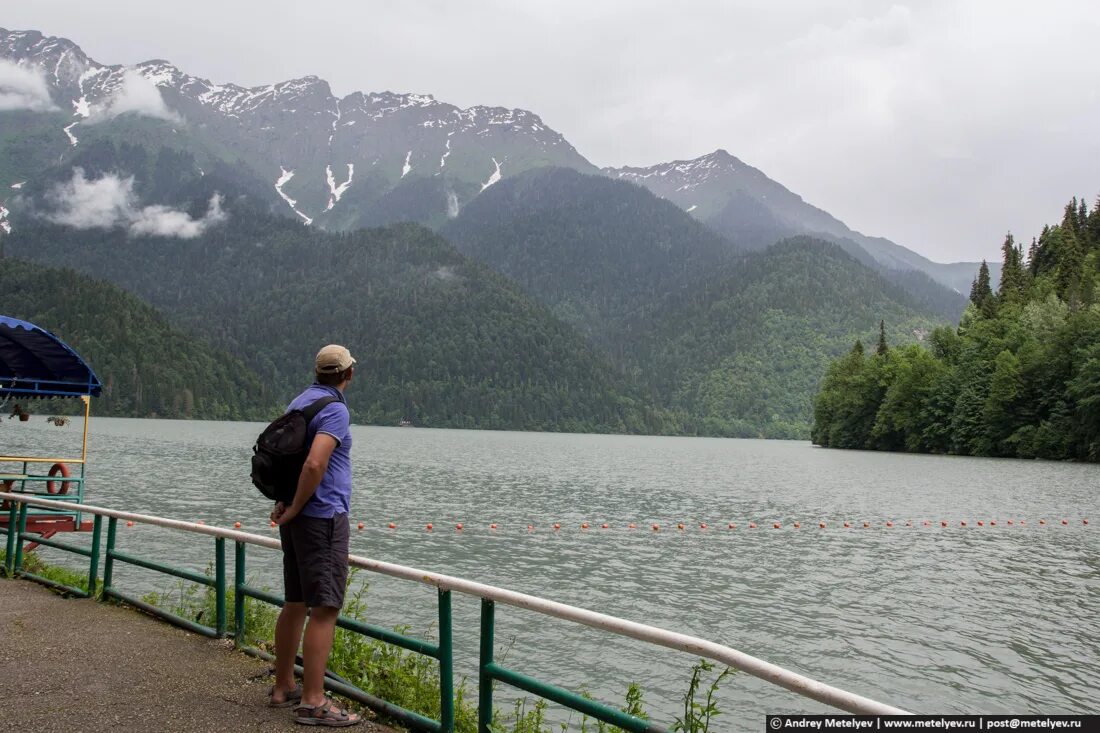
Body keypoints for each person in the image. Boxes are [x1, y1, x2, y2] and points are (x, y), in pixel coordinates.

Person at [269, 344, 362, 727]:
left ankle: (283, 686)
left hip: (296, 518)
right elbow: (313, 461)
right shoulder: (335, 410)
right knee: (325, 609)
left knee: (295, 601)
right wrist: (296, 506)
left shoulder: (300, 401)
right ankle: (313, 700)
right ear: (348, 374)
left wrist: (285, 502)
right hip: (322, 518)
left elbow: (283, 457)